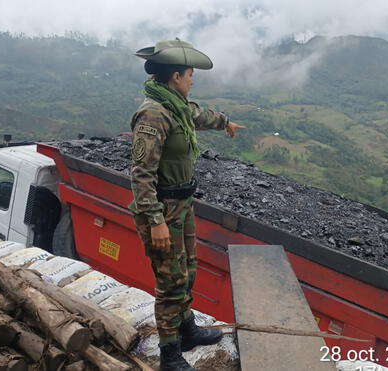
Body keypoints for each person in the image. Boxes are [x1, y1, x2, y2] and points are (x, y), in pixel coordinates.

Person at [128, 39, 244, 371]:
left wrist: (225, 122)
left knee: (187, 271)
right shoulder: (154, 115)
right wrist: (155, 220)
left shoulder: (176, 106)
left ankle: (186, 328)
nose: (193, 79)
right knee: (170, 281)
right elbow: (141, 174)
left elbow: (197, 114)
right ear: (176, 77)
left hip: (182, 204)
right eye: (190, 75)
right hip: (162, 209)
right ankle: (169, 353)